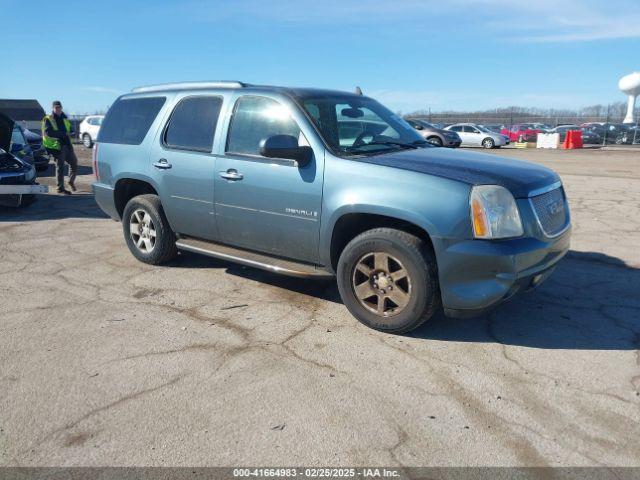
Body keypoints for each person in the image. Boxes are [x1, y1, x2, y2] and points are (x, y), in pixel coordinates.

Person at [42, 101, 78, 195]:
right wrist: (64, 134)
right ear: (53, 108)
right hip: (57, 147)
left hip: (67, 145)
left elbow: (70, 129)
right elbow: (49, 133)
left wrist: (72, 132)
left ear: (61, 108)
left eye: (59, 107)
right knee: (60, 167)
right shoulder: (48, 119)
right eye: (56, 107)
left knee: (74, 163)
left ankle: (70, 181)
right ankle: (60, 188)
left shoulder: (64, 118)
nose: (58, 109)